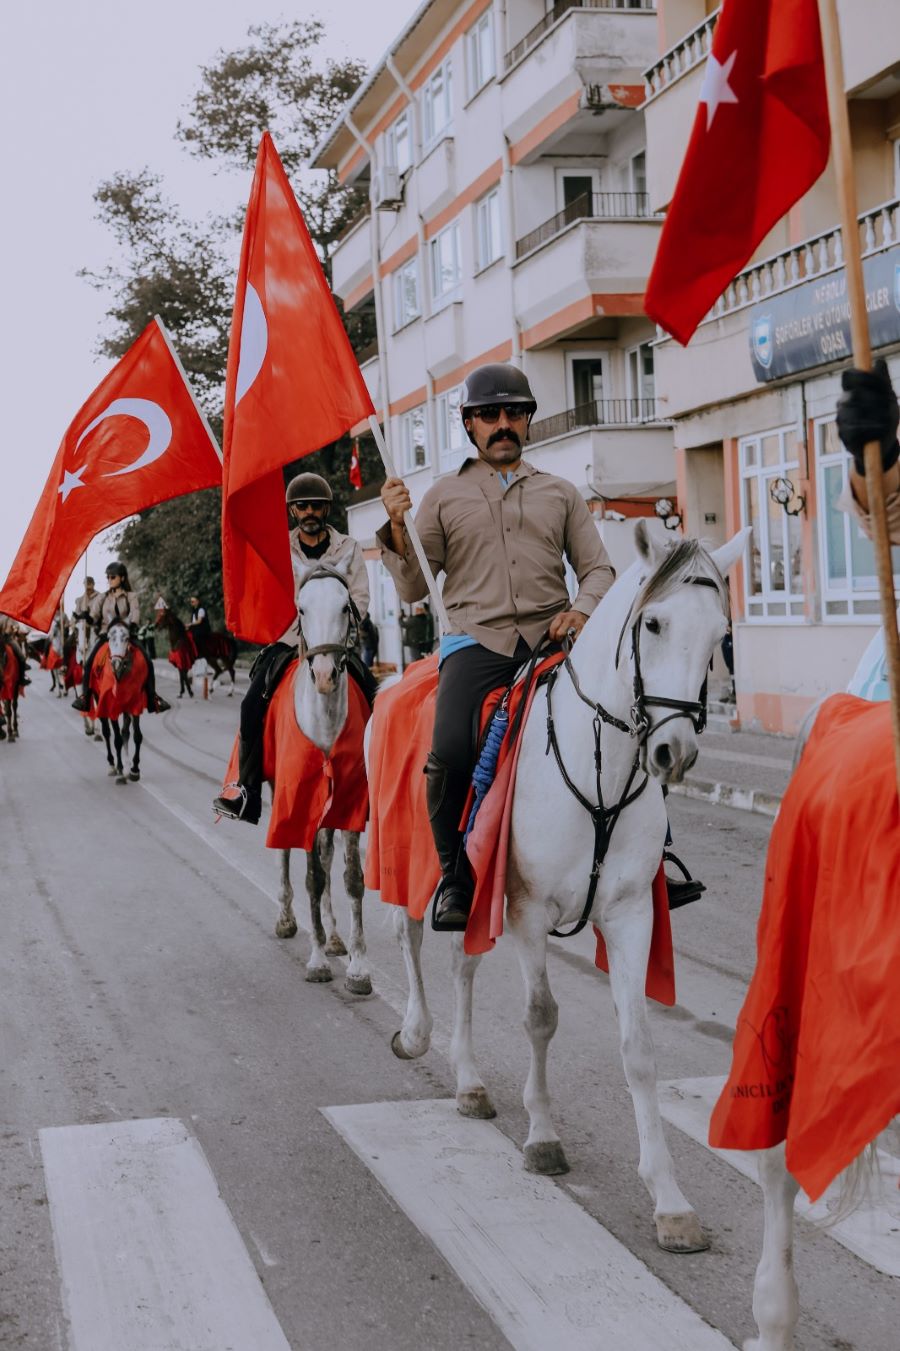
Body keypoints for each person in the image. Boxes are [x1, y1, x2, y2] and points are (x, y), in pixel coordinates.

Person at [378, 362, 619, 931]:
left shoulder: (561, 494)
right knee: (450, 754)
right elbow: (414, 585)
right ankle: (455, 876)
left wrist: (580, 611)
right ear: (469, 425)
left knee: (622, 724)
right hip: (476, 644)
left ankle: (652, 852)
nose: (502, 423)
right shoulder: (440, 497)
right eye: (490, 414)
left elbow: (599, 570)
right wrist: (395, 527)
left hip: (553, 642)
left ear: (529, 421)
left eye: (514, 412)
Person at [212, 472, 373, 825]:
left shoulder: (348, 548)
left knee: (375, 699)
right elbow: (265, 597)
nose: (310, 511)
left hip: (335, 641)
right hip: (289, 640)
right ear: (293, 511)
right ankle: (247, 790)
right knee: (252, 703)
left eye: (316, 505)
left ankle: (377, 783)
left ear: (327, 508)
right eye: (302, 506)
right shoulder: (278, 549)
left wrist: (342, 627)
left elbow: (360, 596)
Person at [72, 562, 170, 714]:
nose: (109, 580)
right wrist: (87, 617)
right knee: (89, 663)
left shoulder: (132, 596)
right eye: (108, 577)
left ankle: (153, 699)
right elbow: (94, 618)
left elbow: (135, 613)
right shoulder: (102, 598)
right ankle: (85, 697)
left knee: (148, 661)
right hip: (107, 635)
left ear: (122, 578)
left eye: (113, 577)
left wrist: (131, 626)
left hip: (126, 634)